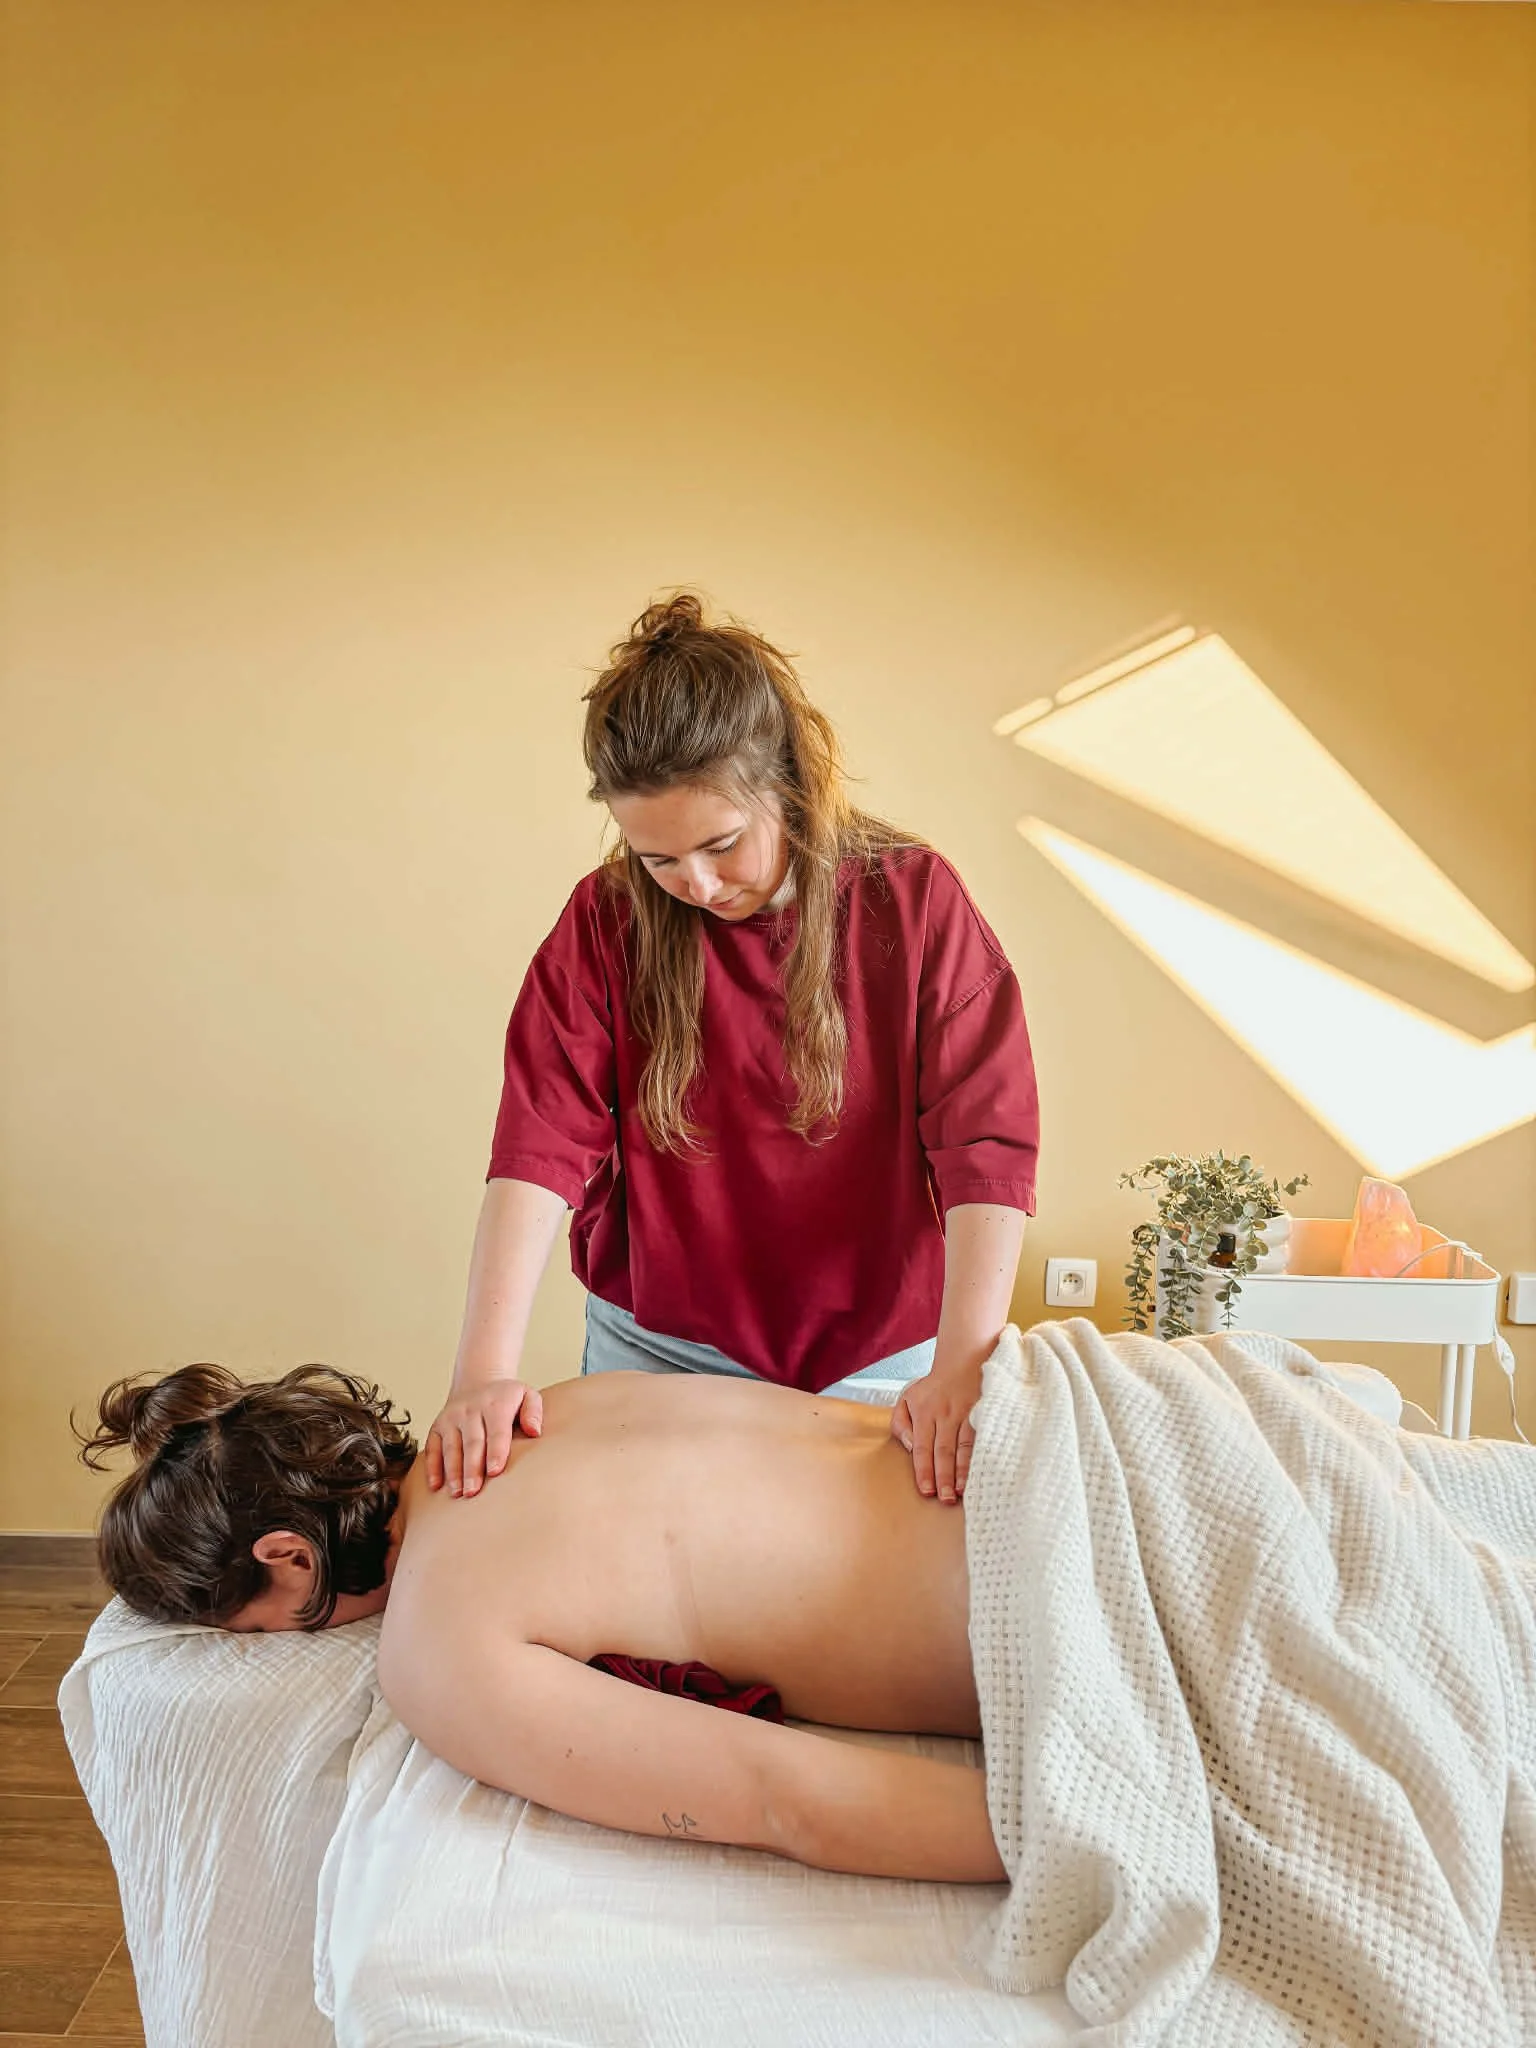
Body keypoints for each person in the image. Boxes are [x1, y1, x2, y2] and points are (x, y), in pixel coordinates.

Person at [430, 591, 1040, 1511]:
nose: (699, 885)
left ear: (785, 784)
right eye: (659, 861)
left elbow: (985, 1143)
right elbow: (540, 1142)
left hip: (887, 1355)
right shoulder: (604, 921)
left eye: (721, 845)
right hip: (659, 1349)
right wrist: (481, 1371)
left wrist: (965, 1363)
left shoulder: (914, 900)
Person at [78, 1360, 1004, 1885]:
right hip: (1037, 1419)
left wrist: (1064, 1839)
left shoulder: (436, 1649)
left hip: (1033, 1573)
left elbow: (785, 1800)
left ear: (286, 1556)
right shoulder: (550, 1405)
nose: (280, 1642)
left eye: (256, 1631)